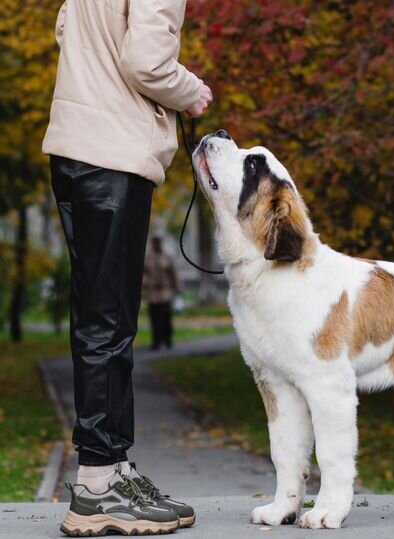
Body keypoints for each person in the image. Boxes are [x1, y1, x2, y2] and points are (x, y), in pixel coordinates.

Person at [42, 1, 212, 535]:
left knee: (103, 318)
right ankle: (97, 486)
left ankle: (112, 468)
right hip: (111, 157)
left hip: (74, 150)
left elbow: (65, 27)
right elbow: (145, 62)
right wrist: (192, 91)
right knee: (108, 323)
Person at [143, 235, 180, 350]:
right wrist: (145, 282)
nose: (156, 244)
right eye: (154, 242)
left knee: (165, 317)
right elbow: (143, 273)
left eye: (157, 242)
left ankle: (167, 339)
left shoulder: (167, 256)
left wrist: (177, 288)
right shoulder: (148, 257)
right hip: (153, 293)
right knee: (154, 318)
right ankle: (156, 341)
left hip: (165, 292)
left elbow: (173, 273)